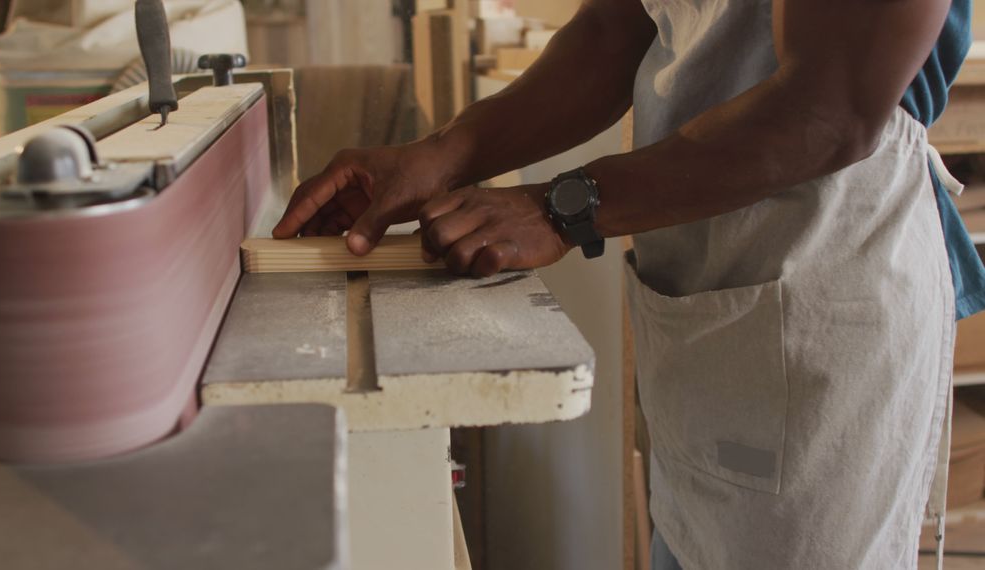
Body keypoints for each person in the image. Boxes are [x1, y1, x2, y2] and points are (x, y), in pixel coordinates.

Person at [274, 0, 985, 568]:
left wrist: (561, 206)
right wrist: (441, 155)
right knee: (691, 532)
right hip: (710, 287)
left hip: (821, 271)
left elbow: (829, 109)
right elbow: (615, 26)